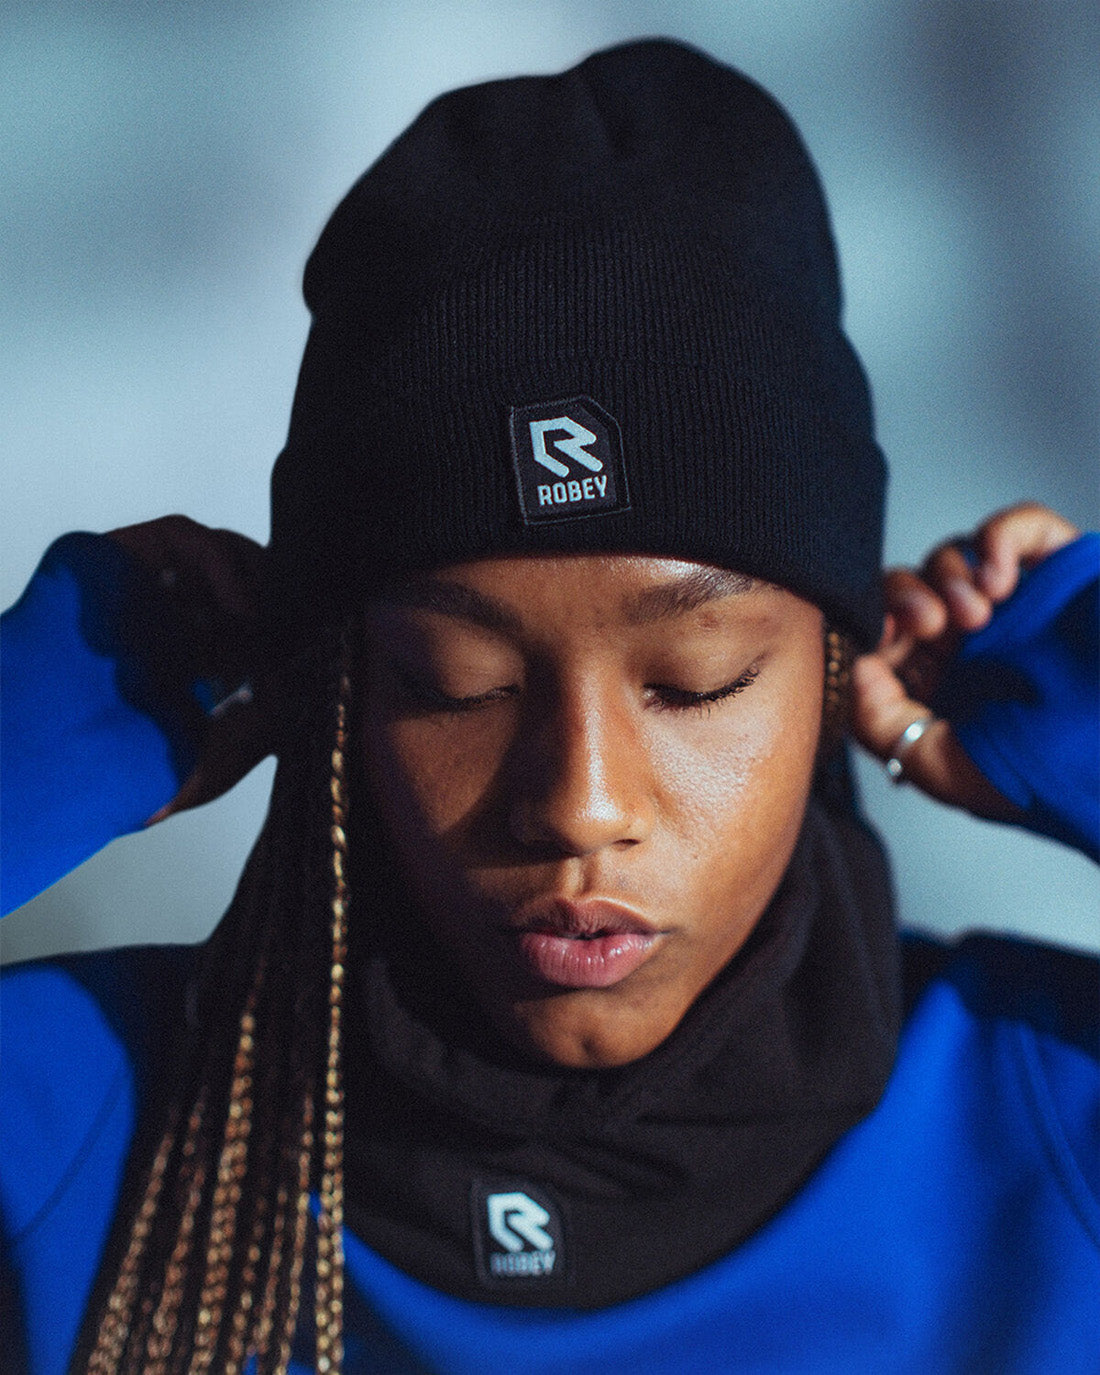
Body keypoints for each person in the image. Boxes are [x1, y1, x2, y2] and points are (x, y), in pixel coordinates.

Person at [1, 38, 1096, 1375]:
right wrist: (33, 745)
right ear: (335, 690)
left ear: (830, 666)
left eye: (696, 681)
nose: (580, 803)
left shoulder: (1048, 1120)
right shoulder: (81, 1123)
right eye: (455, 683)